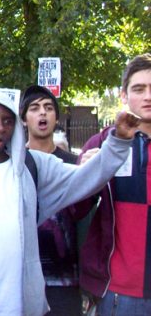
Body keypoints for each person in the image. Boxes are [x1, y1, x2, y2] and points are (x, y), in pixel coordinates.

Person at [0, 89, 137, 316]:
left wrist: (118, 143)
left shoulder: (33, 167)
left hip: (24, 307)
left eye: (7, 121)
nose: (0, 127)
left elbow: (84, 179)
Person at [73, 53, 151, 315]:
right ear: (124, 95)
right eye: (139, 89)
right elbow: (75, 210)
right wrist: (87, 175)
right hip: (119, 293)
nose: (147, 96)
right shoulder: (102, 144)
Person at [19, 85, 80, 315]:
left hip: (64, 280)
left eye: (48, 108)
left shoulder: (76, 163)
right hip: (22, 278)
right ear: (24, 119)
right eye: (34, 108)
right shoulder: (13, 163)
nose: (42, 113)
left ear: (56, 116)